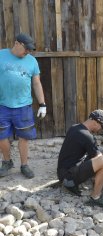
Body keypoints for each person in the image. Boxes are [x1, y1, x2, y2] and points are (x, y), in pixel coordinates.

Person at [57, 109, 103, 207]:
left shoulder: (74, 128)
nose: (101, 129)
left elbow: (94, 154)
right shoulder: (87, 137)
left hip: (62, 173)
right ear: (96, 122)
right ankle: (96, 197)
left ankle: (95, 181)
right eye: (102, 126)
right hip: (69, 179)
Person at [0, 33, 46, 179]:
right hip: (2, 105)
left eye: (30, 50)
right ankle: (7, 162)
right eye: (26, 48)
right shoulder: (1, 55)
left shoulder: (32, 61)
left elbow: (36, 83)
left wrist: (42, 104)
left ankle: (24, 165)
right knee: (1, 136)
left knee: (24, 137)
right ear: (17, 43)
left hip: (23, 107)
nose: (27, 52)